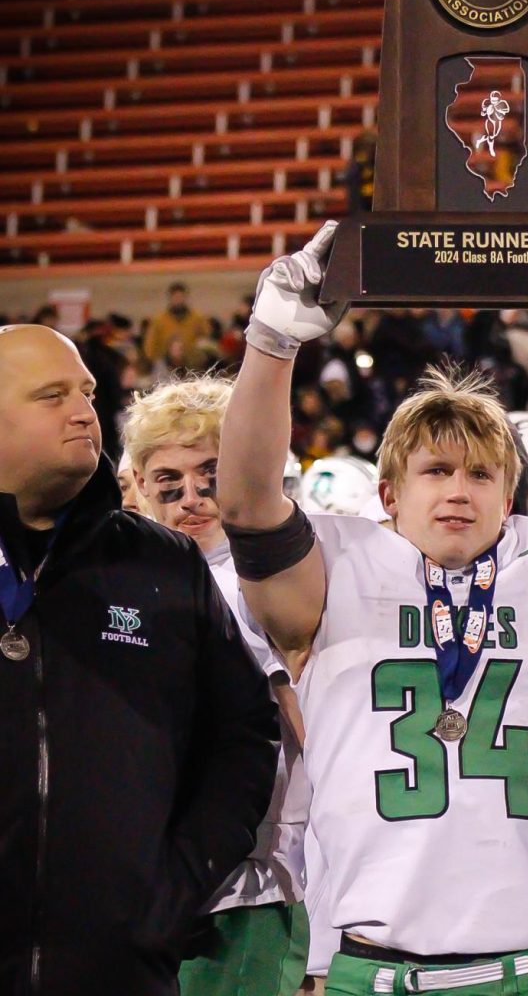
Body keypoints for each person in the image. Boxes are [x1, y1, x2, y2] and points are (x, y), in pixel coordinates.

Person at [217, 221, 528, 993]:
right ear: (389, 492)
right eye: (436, 470)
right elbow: (249, 504)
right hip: (370, 971)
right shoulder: (336, 568)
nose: (459, 489)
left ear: (510, 494)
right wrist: (272, 343)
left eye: (483, 474)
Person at [0, 325, 279, 996]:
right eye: (51, 396)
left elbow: (242, 737)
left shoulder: (162, 562)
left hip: (121, 967)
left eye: (87, 393)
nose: (82, 412)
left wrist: (170, 894)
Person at [123, 376, 310, 996]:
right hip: (148, 883)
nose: (192, 497)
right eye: (168, 482)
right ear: (140, 489)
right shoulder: (130, 580)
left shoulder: (268, 577)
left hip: (254, 886)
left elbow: (307, 729)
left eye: (211, 473)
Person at [142, 282, 213, 372]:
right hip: (166, 366)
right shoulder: (159, 320)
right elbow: (150, 346)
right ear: (170, 298)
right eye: (176, 297)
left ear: (185, 297)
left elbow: (207, 340)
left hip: (192, 365)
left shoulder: (197, 319)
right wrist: (157, 361)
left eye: (181, 297)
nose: (178, 300)